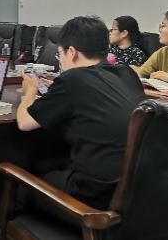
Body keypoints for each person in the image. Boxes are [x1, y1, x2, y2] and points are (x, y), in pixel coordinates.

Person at [16, 16, 145, 210]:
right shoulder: (127, 73)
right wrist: (59, 90)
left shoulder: (72, 79)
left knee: (20, 189)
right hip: (136, 190)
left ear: (72, 52)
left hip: (95, 195)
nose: (61, 60)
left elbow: (24, 122)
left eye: (60, 54)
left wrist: (30, 91)